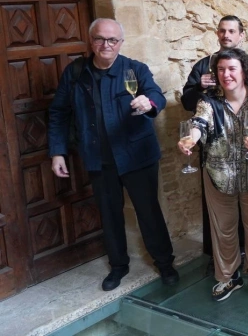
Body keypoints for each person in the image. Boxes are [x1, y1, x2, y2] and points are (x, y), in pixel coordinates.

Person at [48, 18, 177, 291]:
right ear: (90, 40)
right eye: (99, 39)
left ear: (121, 42)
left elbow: (156, 94)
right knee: (109, 215)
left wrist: (149, 101)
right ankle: (118, 266)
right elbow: (59, 112)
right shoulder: (75, 73)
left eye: (112, 40)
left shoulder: (135, 69)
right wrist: (57, 152)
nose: (106, 45)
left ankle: (165, 263)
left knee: (148, 211)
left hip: (136, 156)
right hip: (99, 157)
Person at [179, 48, 248, 301]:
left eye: (231, 69)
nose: (226, 74)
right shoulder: (209, 100)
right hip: (218, 175)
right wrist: (191, 138)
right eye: (220, 69)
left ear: (244, 71)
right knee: (224, 229)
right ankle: (228, 277)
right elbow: (200, 122)